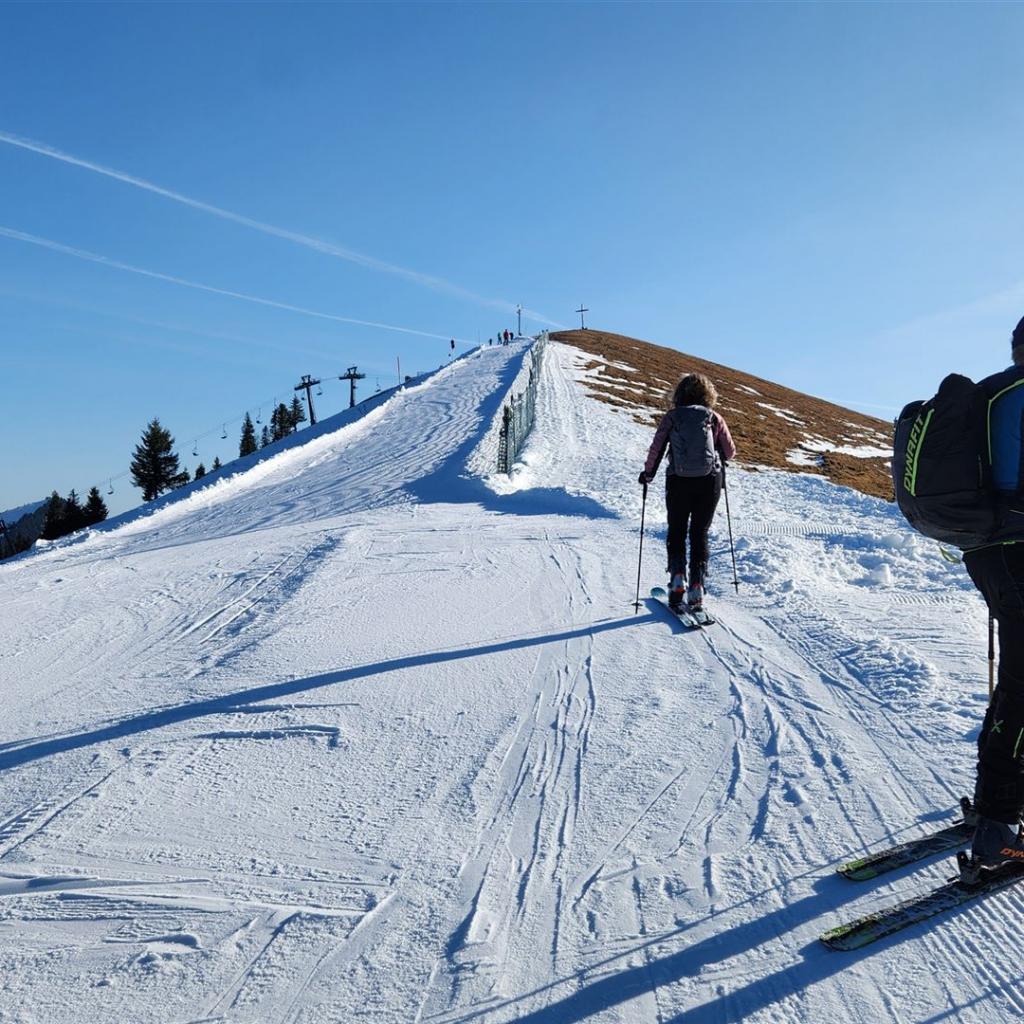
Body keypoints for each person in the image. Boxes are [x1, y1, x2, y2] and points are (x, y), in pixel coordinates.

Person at [964, 317, 1024, 868]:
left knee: (1016, 682)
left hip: (988, 551)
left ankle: (990, 807)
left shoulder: (991, 392)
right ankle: (999, 829)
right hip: (1021, 550)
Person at [639, 373, 736, 612]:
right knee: (699, 532)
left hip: (678, 480)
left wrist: (647, 474)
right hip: (709, 481)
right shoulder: (714, 417)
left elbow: (657, 448)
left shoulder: (672, 417)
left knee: (677, 529)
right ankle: (696, 587)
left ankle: (677, 578)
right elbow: (730, 452)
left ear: (679, 393)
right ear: (708, 395)